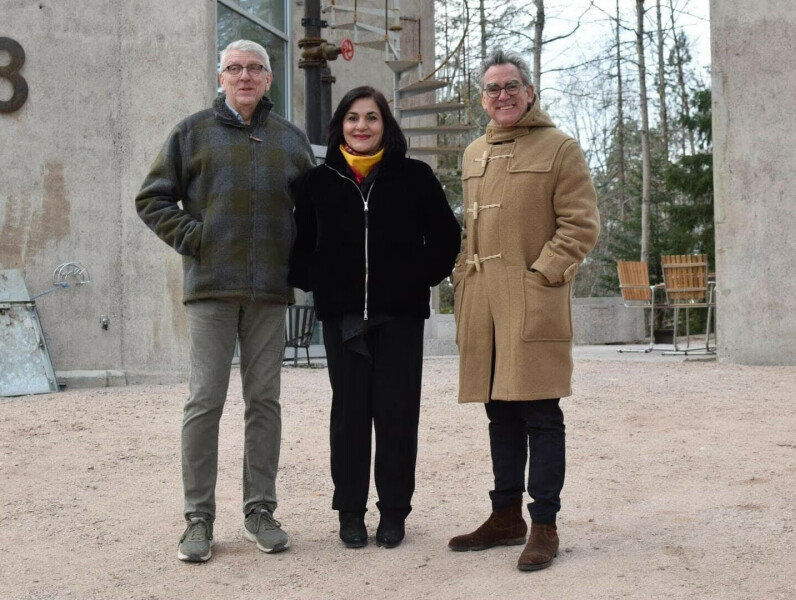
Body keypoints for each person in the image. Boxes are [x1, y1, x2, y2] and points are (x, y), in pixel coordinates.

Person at [135, 40, 314, 563]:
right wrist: (197, 238)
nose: (244, 76)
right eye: (234, 68)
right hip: (211, 288)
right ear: (221, 78)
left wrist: (298, 261)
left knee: (264, 402)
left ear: (269, 78)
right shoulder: (192, 132)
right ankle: (198, 518)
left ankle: (260, 510)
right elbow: (152, 198)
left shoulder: (290, 140)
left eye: (255, 68)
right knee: (204, 401)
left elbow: (313, 214)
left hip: (269, 293)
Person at [447, 49, 600, 571]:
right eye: (493, 88)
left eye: (512, 85)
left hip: (533, 300)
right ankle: (505, 516)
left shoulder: (560, 148)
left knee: (541, 413)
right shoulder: (473, 153)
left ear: (530, 92)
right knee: (500, 412)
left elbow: (581, 224)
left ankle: (544, 525)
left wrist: (541, 274)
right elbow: (471, 229)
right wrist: (462, 273)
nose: (503, 95)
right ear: (482, 98)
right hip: (483, 303)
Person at [289, 86, 461, 549]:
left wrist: (416, 279)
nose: (361, 126)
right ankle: (350, 513)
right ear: (339, 126)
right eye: (352, 117)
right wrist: (320, 282)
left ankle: (394, 513)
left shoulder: (415, 176)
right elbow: (298, 247)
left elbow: (446, 237)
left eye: (371, 117)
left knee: (397, 414)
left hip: (399, 317)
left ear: (386, 125)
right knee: (349, 417)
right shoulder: (316, 182)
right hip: (342, 318)